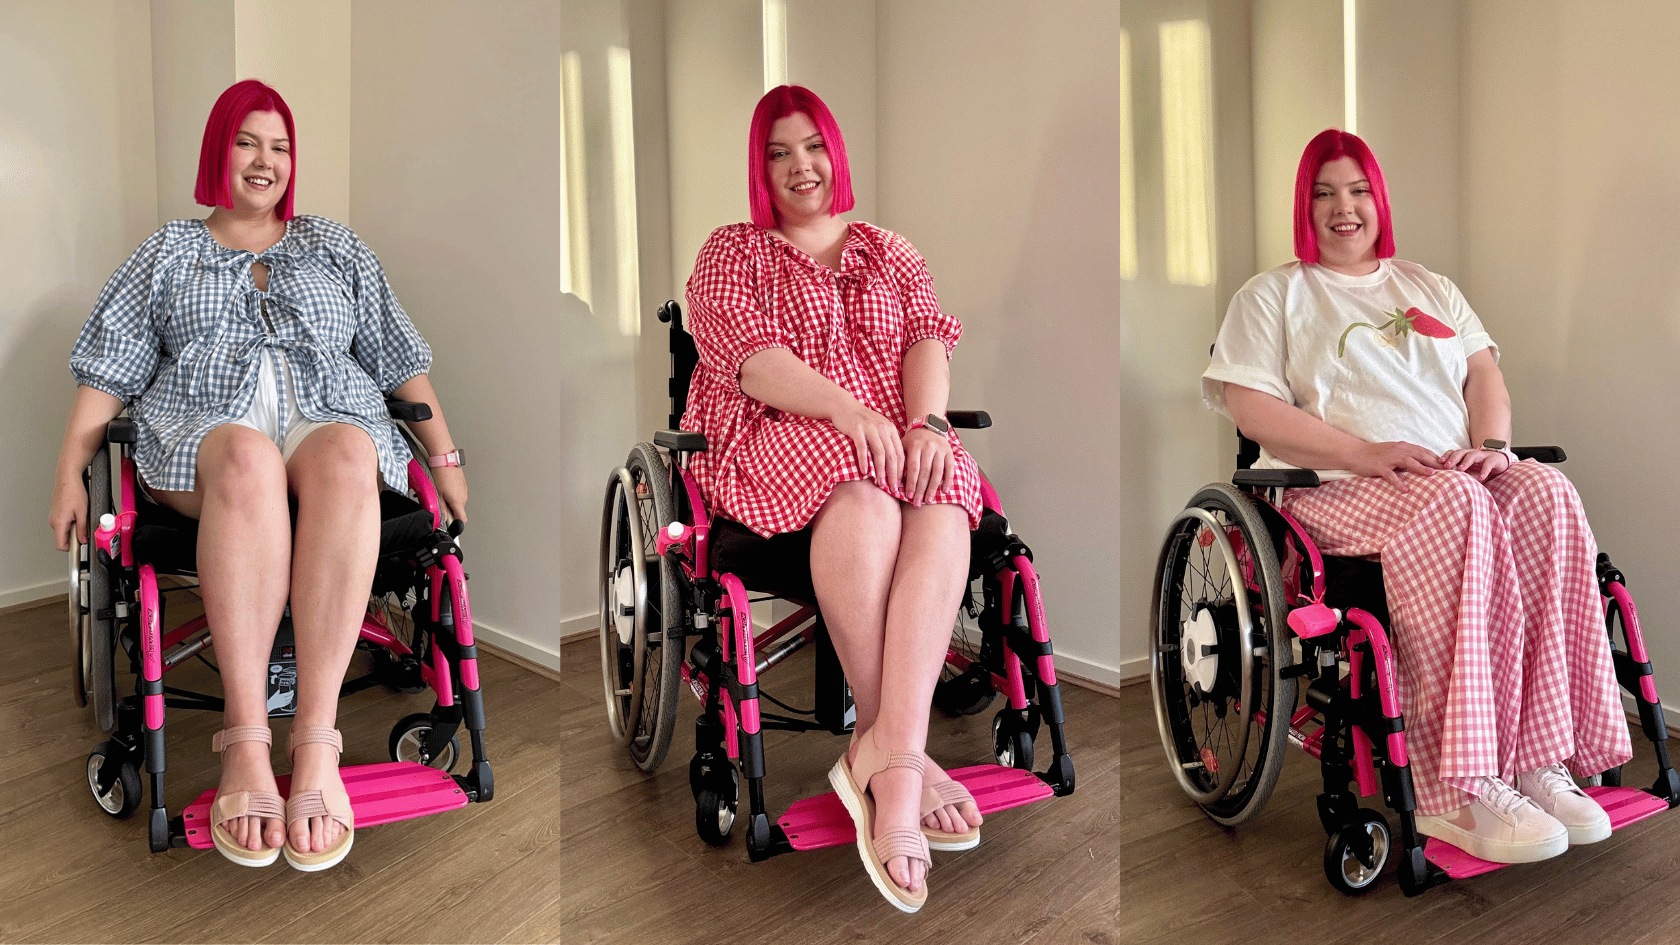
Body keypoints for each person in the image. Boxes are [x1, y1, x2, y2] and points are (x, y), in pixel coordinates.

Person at [48, 79, 468, 871]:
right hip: (205, 431)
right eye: (248, 142)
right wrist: (70, 469)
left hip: (324, 420)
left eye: (279, 146)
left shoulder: (334, 246)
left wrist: (444, 461)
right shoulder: (169, 251)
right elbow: (108, 367)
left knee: (349, 452)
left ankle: (315, 744)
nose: (265, 160)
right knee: (246, 458)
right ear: (219, 151)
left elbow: (398, 360)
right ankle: (246, 741)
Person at [1203, 128, 1631, 865]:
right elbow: (1253, 410)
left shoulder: (1430, 287)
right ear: (1305, 205)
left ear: (1380, 198)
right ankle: (1456, 787)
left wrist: (1492, 450)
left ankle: (1537, 758)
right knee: (1457, 506)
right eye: (1325, 192)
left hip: (1446, 480)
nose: (1345, 208)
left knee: (1547, 490)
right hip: (1336, 491)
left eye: (1359, 190)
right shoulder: (1272, 294)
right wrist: (1364, 452)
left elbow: (1484, 378)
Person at [681, 85, 983, 911]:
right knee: (867, 492)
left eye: (811, 145)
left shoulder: (890, 248)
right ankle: (904, 766)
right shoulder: (731, 253)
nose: (799, 166)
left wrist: (923, 421)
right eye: (777, 152)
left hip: (888, 434)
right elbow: (749, 362)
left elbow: (926, 335)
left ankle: (886, 750)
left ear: (835, 149)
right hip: (777, 431)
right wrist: (851, 412)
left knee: (947, 484)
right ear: (759, 167)